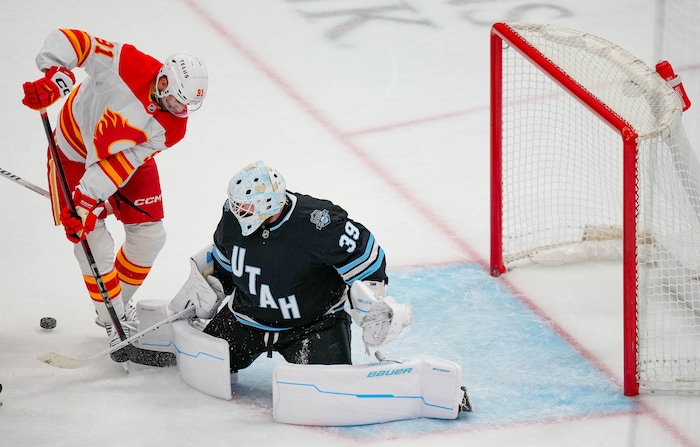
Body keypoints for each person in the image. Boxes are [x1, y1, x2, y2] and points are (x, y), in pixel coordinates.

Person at [21, 29, 208, 364]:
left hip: (123, 160)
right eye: (178, 101)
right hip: (72, 153)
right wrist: (56, 76)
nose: (181, 111)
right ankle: (113, 320)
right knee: (89, 240)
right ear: (163, 80)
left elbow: (124, 161)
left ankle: (114, 308)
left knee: (151, 237)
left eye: (187, 106)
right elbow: (77, 41)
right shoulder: (128, 63)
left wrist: (88, 200)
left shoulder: (173, 127)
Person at [169, 160, 412, 373]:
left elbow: (365, 256)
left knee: (327, 387)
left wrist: (372, 303)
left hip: (313, 325)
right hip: (245, 319)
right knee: (199, 366)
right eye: (236, 203)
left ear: (267, 204)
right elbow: (224, 263)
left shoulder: (318, 222)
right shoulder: (234, 219)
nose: (236, 210)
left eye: (245, 206)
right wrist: (209, 287)